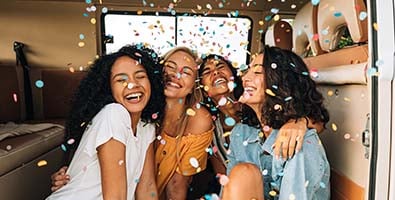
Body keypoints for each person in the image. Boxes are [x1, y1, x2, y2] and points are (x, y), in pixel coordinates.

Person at [47, 44, 165, 200]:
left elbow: (147, 186)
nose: (132, 84)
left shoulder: (146, 126)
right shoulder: (113, 114)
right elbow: (115, 197)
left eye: (140, 76)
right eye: (121, 80)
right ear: (108, 88)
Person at [222, 46, 330, 200]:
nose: (245, 78)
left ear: (281, 83)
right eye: (247, 71)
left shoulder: (300, 143)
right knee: (243, 173)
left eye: (258, 72)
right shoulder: (241, 134)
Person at [197, 54, 325, 176]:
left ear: (234, 74)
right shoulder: (209, 127)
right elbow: (224, 176)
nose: (215, 72)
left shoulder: (256, 102)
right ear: (202, 87)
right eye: (207, 72)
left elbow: (319, 122)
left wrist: (300, 122)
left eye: (220, 67)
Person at [155, 47, 214, 200]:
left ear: (193, 86)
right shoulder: (140, 108)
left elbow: (176, 184)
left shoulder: (199, 118)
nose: (176, 75)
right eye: (170, 67)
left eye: (186, 72)